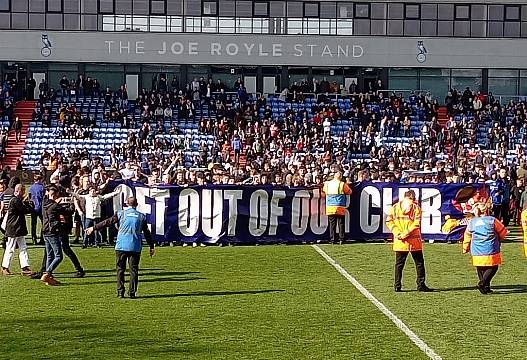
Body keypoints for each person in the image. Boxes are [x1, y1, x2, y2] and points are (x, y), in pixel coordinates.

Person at [86, 196, 155, 299]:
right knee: (134, 270)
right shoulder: (141, 216)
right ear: (136, 204)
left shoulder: (121, 214)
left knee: (120, 270)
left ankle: (120, 292)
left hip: (121, 246)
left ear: (126, 204)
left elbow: (107, 222)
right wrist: (151, 246)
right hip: (135, 246)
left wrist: (93, 228)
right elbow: (146, 232)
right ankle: (132, 293)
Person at [34, 185, 85, 282]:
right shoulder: (55, 205)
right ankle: (47, 273)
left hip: (46, 230)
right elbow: (68, 211)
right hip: (55, 231)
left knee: (50, 254)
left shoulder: (45, 203)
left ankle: (48, 274)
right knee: (59, 255)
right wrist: (73, 203)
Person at [386, 190, 433, 292]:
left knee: (399, 264)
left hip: (400, 241)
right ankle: (421, 285)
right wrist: (406, 233)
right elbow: (416, 224)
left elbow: (388, 221)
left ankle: (397, 285)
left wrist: (397, 232)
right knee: (419, 263)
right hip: (413, 240)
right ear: (413, 197)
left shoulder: (395, 207)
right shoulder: (416, 208)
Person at [463, 200, 508, 294]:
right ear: (487, 210)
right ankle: (483, 283)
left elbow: (467, 235)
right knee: (493, 267)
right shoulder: (492, 220)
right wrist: (499, 238)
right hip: (490, 248)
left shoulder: (472, 222)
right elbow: (503, 231)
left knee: (480, 268)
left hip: (476, 250)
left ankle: (485, 288)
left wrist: (465, 247)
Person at [1, 184, 35, 276]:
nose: (24, 193)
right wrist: (29, 204)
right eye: (22, 191)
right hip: (13, 228)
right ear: (18, 191)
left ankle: (25, 267)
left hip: (18, 228)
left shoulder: (16, 200)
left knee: (23, 247)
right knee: (10, 248)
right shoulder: (15, 200)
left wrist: (27, 204)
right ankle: (5, 267)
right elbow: (25, 210)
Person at [322, 167, 352, 244]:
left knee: (332, 224)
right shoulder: (342, 184)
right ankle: (341, 239)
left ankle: (332, 239)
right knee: (341, 223)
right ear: (341, 177)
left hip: (330, 207)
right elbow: (349, 192)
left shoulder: (327, 184)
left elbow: (323, 192)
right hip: (339, 206)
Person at [28, 174, 45, 245]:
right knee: (43, 223)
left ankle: (33, 238)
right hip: (41, 207)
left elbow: (29, 198)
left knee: (33, 224)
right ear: (39, 180)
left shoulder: (31, 188)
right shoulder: (42, 187)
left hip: (33, 208)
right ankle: (42, 238)